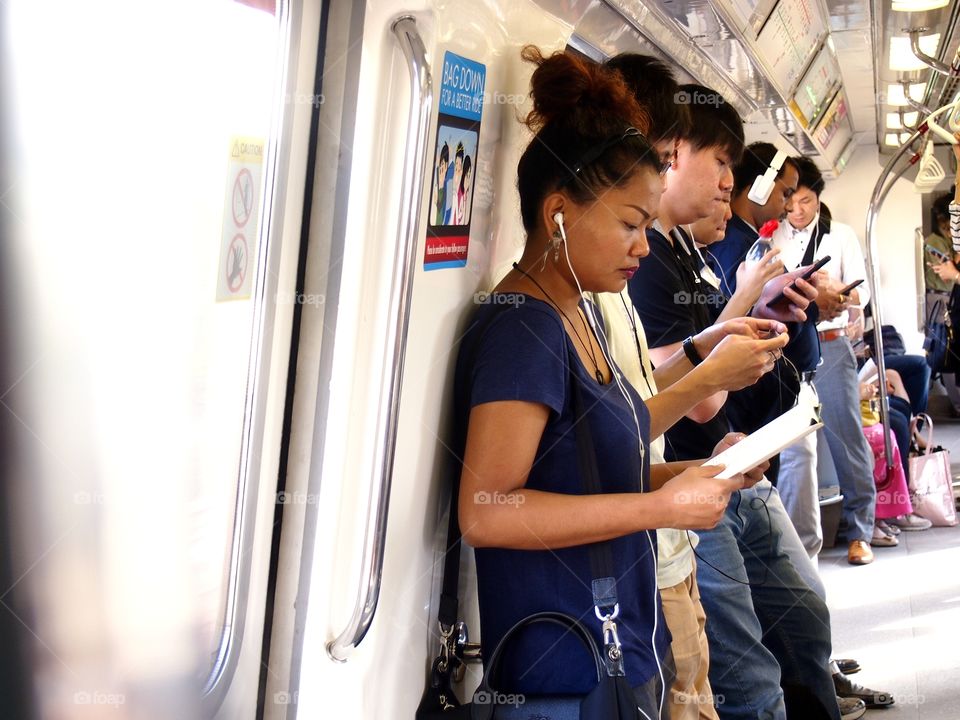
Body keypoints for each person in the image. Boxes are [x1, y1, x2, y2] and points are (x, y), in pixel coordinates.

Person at [453, 47, 762, 717]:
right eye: (629, 224)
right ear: (558, 213)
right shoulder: (523, 329)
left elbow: (586, 472)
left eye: (648, 226)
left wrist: (696, 473)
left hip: (615, 650)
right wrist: (662, 510)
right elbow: (486, 511)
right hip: (560, 676)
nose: (643, 246)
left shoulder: (580, 312)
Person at [625, 82, 858, 720]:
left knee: (803, 621)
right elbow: (686, 396)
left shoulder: (680, 253)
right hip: (690, 483)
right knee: (746, 679)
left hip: (725, 462)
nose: (732, 183)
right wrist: (744, 310)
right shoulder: (645, 266)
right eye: (722, 162)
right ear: (672, 153)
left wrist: (756, 313)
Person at [768, 157, 878, 567]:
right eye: (791, 201)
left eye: (806, 201)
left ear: (818, 198)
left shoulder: (841, 235)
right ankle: (797, 544)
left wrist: (835, 292)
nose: (797, 210)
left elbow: (863, 294)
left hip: (830, 344)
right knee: (795, 448)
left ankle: (860, 531)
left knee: (847, 437)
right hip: (787, 347)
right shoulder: (771, 236)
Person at [432, 142, 449, 226]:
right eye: (441, 164)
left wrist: (436, 201)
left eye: (444, 164)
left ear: (446, 166)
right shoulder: (436, 177)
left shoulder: (446, 186)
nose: (442, 168)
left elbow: (440, 206)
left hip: (440, 220)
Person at [452, 155, 473, 225]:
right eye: (467, 175)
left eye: (469, 175)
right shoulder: (459, 193)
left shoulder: (466, 195)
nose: (468, 179)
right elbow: (457, 217)